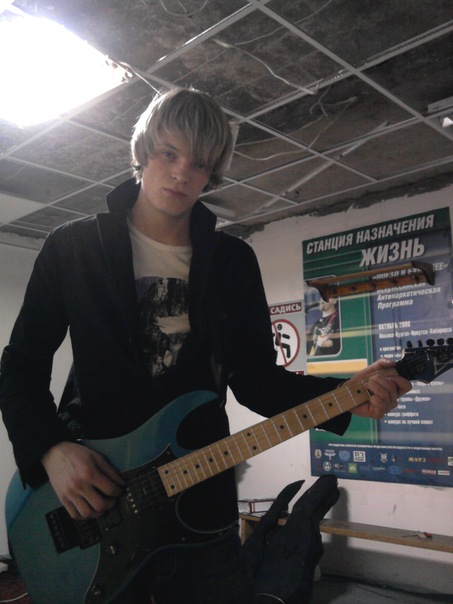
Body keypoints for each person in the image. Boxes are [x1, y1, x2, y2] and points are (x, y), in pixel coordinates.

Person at [0, 87, 411, 604]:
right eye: (168, 154)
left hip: (199, 507)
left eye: (198, 163)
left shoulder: (233, 261)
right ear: (144, 151)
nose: (181, 174)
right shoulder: (74, 247)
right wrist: (52, 450)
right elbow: (20, 366)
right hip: (99, 499)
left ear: (212, 172)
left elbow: (257, 382)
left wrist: (344, 395)